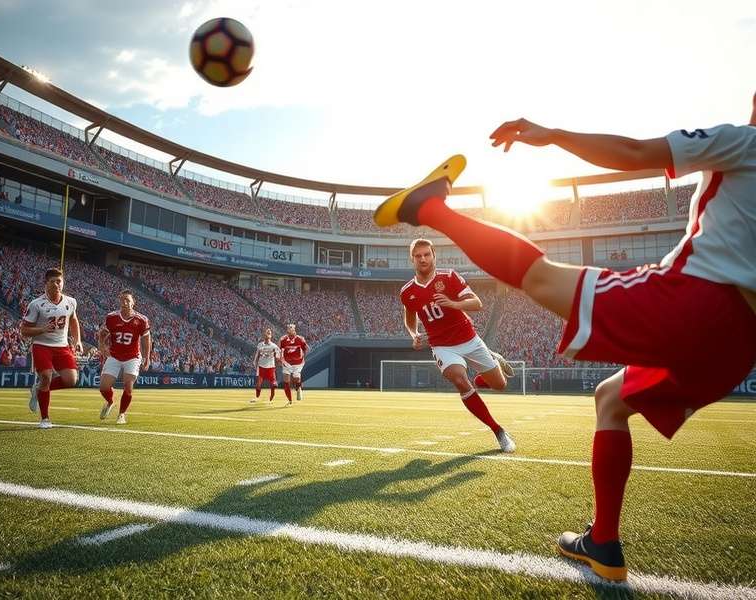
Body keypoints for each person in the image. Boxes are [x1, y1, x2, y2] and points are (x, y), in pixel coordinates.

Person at [373, 93, 756, 581]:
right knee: (611, 398)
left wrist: (552, 134)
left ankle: (430, 209)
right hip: (740, 343)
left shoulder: (743, 141)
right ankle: (604, 545)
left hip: (700, 298)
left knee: (540, 277)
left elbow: (637, 152)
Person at [401, 238, 516, 453]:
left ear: (434, 255)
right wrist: (414, 333)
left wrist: (454, 304)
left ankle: (493, 364)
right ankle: (498, 431)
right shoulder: (407, 292)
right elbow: (409, 318)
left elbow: (477, 303)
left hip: (470, 340)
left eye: (427, 254)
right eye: (418, 256)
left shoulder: (450, 277)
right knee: (459, 379)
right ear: (412, 260)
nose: (423, 259)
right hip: (442, 346)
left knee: (500, 385)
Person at [20, 267, 82, 429]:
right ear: (46, 284)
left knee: (71, 380)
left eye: (59, 281)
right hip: (42, 345)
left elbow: (74, 320)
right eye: (53, 281)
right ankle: (45, 418)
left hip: (62, 346)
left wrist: (78, 340)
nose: (57, 284)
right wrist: (42, 329)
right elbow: (24, 330)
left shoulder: (71, 302)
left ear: (63, 283)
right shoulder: (36, 304)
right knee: (46, 377)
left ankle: (38, 389)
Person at [97, 290, 151, 425]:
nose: (124, 302)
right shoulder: (111, 317)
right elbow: (103, 333)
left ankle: (121, 414)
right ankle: (110, 402)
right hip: (114, 355)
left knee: (128, 386)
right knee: (104, 387)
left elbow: (146, 340)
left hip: (132, 356)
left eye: (127, 300)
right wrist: (103, 347)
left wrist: (147, 358)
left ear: (133, 303)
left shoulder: (141, 319)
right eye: (122, 300)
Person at [279, 323, 308, 405]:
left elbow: (305, 349)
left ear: (294, 330)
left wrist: (303, 358)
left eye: (291, 328)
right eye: (288, 328)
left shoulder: (300, 339)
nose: (289, 329)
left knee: (296, 378)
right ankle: (289, 400)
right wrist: (280, 359)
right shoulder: (283, 339)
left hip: (297, 363)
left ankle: (298, 389)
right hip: (287, 362)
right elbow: (279, 349)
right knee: (286, 381)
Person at [251, 327, 281, 404]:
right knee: (258, 384)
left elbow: (278, 355)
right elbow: (257, 354)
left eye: (269, 332)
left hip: (270, 367)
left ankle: (271, 397)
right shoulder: (260, 345)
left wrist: (277, 356)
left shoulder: (274, 346)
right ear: (264, 335)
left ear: (271, 335)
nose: (268, 333)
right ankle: (257, 397)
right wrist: (254, 362)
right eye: (267, 332)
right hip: (261, 367)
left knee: (273, 384)